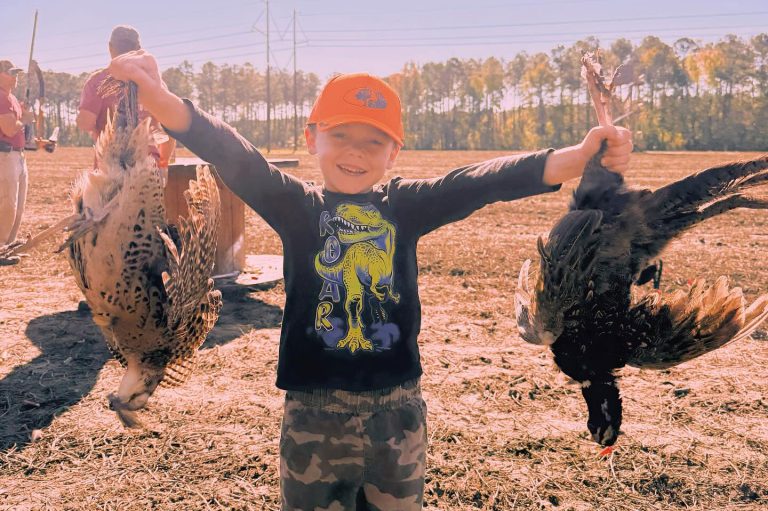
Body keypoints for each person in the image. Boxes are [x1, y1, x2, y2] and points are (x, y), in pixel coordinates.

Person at [108, 50, 632, 510]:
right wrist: (159, 97)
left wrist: (582, 156)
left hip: (396, 414)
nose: (355, 153)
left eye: (372, 141)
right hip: (312, 415)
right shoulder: (296, 207)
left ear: (394, 152)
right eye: (341, 136)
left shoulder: (405, 206)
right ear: (312, 138)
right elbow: (232, 154)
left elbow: (482, 183)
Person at [77, 25, 175, 171]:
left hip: (111, 169)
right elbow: (169, 129)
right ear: (138, 48)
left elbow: (85, 123)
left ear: (110, 48)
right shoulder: (156, 84)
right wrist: (163, 163)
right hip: (148, 168)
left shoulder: (97, 82)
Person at [0, 59, 34, 264]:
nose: (16, 76)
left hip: (18, 156)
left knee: (18, 206)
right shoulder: (2, 98)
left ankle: (7, 248)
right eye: (11, 72)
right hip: (5, 157)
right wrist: (25, 119)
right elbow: (9, 129)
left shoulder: (11, 98)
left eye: (17, 73)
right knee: (7, 204)